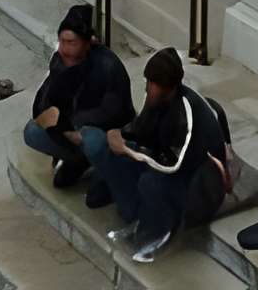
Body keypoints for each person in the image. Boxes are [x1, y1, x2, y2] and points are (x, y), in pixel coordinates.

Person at [96, 47, 228, 266]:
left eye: (153, 83)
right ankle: (140, 220)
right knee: (119, 157)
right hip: (177, 172)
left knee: (151, 181)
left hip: (201, 183)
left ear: (169, 85)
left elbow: (173, 166)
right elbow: (142, 130)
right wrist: (119, 135)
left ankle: (159, 236)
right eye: (148, 81)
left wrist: (129, 151)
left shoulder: (187, 111)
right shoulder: (157, 100)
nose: (148, 88)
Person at [22, 3, 134, 194]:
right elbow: (43, 103)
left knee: (92, 141)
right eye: (62, 42)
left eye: (71, 43)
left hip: (102, 134)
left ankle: (108, 171)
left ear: (88, 42)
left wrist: (76, 126)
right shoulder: (60, 62)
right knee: (33, 131)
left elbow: (114, 112)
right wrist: (62, 129)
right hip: (71, 131)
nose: (64, 49)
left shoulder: (107, 66)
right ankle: (78, 160)